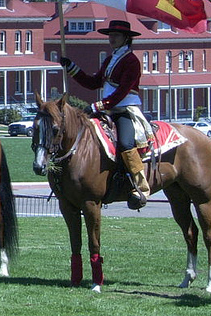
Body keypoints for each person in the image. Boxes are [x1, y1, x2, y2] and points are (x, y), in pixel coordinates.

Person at [60, 18, 151, 209]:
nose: (111, 39)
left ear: (126, 38)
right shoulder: (111, 59)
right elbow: (93, 83)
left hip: (125, 109)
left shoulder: (132, 61)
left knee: (126, 143)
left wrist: (98, 106)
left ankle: (139, 185)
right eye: (110, 35)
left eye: (116, 36)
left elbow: (122, 91)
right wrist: (72, 68)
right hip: (106, 108)